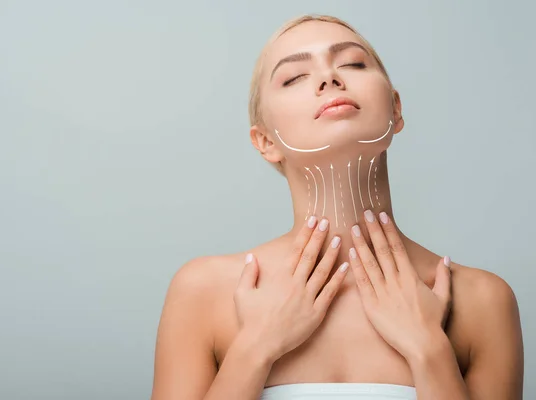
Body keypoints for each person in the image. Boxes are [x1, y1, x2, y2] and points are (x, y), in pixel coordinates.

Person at [151, 14, 524, 400]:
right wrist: (255, 347)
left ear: (396, 110)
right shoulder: (204, 292)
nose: (330, 79)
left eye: (353, 63)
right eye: (294, 77)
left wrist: (428, 348)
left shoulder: (483, 301)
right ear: (265, 141)